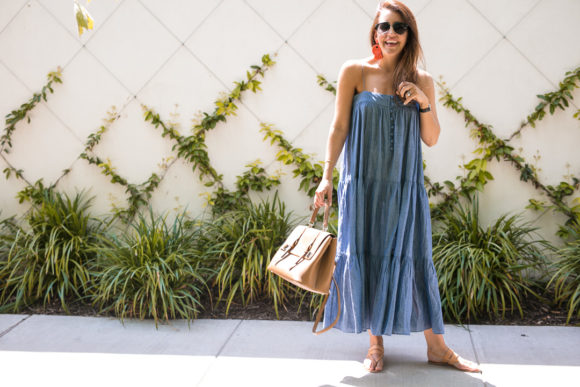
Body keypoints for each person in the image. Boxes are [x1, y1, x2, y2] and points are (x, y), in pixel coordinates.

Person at [313, 1, 481, 374]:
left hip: (403, 188)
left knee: (414, 255)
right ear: (374, 31)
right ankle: (375, 345)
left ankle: (437, 347)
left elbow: (432, 138)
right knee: (368, 253)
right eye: (384, 26)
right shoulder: (355, 71)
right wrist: (326, 175)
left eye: (399, 27)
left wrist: (423, 103)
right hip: (362, 187)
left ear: (409, 35)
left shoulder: (422, 80)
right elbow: (338, 127)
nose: (390, 33)